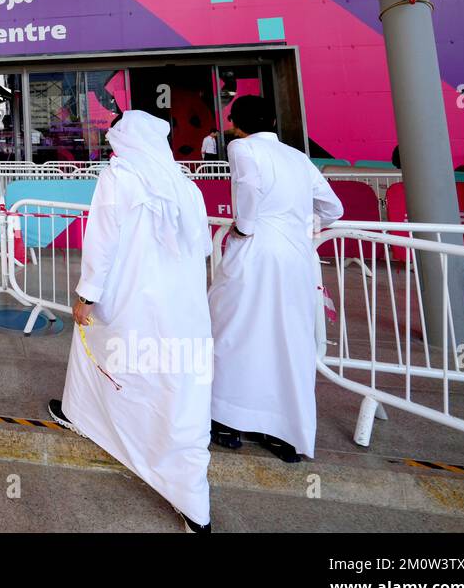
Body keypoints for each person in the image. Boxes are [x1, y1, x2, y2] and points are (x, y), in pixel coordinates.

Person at [47, 110, 215, 533]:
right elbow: (204, 250)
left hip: (130, 297)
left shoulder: (119, 177)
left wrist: (87, 294)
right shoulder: (186, 186)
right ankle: (190, 494)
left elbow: (101, 242)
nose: (111, 146)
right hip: (181, 306)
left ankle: (87, 419)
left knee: (104, 355)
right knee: (173, 386)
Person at [207, 95, 343, 463]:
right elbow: (333, 207)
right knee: (287, 338)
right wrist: (298, 226)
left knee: (234, 330)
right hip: (297, 258)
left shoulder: (241, 147)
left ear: (237, 122)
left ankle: (225, 419)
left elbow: (248, 187)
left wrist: (245, 226)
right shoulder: (298, 158)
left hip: (255, 252)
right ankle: (283, 430)